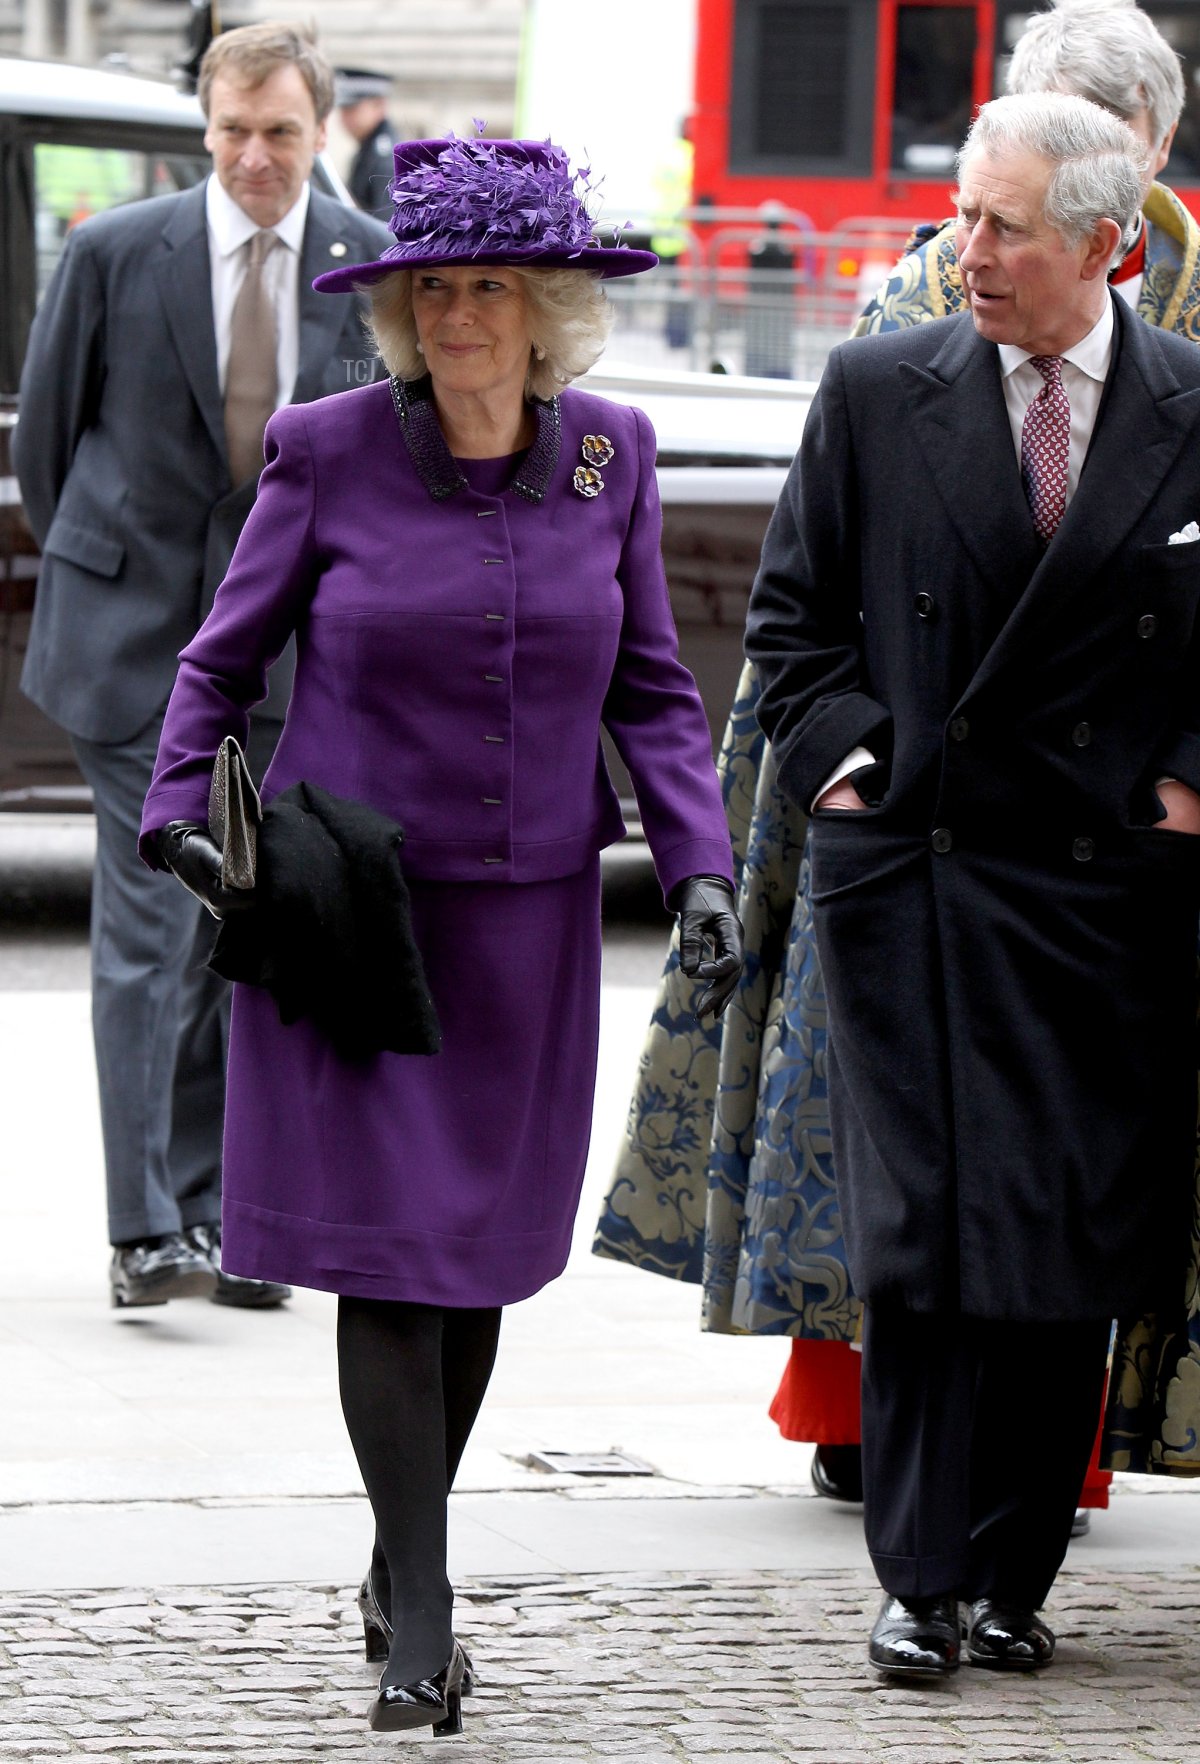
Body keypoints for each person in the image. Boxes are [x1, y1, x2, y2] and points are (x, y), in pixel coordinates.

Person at [138, 132, 743, 1735]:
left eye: (492, 286)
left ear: (547, 309)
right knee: (390, 1270)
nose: (462, 314)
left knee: (469, 1267)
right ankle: (422, 1604)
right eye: (434, 290)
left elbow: (657, 692)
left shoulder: (612, 455)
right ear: (400, 313)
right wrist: (178, 819)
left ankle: (401, 1557)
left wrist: (702, 869)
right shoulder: (327, 449)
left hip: (530, 927)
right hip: (357, 920)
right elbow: (217, 666)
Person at [594, 0, 1196, 1525]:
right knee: (896, 1176)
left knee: (1078, 1204)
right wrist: (844, 774)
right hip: (916, 824)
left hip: (1109, 855)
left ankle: (1029, 1508)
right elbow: (819, 578)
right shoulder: (912, 314)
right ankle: (904, 1507)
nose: (986, 236)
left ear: (1140, 171)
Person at [746, 90, 1200, 1677]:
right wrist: (859, 772)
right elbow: (792, 628)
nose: (968, 249)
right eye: (964, 211)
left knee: (1064, 1239)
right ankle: (922, 1580)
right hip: (922, 876)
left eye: (1005, 225)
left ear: (1108, 244)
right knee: (930, 1240)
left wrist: (1186, 786)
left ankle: (1016, 1581)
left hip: (1109, 898)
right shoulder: (881, 387)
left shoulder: (1195, 404)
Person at [13, 23, 392, 1312]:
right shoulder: (119, 252)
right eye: (232, 131)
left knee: (250, 919)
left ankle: (223, 1212)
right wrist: (128, 579)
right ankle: (143, 1228)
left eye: (280, 132)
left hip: (283, 658)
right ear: (205, 126)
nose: (253, 157)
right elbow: (48, 451)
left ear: (318, 128)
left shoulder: (366, 265)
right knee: (154, 922)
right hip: (127, 649)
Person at [336, 67, 397, 218]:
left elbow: (387, 226)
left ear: (379, 105)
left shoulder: (386, 159)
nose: (345, 117)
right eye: (343, 109)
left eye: (352, 109)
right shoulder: (368, 149)